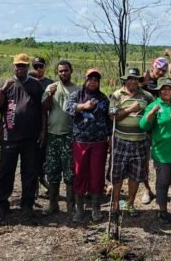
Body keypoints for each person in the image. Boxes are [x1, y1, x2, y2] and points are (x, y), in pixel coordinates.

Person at [0, 53, 45, 219]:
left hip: (30, 137)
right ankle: (2, 203)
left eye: (23, 65)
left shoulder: (35, 85)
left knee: (29, 171)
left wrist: (43, 130)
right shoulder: (7, 84)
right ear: (13, 66)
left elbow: (44, 109)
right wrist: (2, 89)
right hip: (10, 136)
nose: (20, 68)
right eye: (18, 65)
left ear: (27, 67)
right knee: (6, 171)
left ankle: (27, 204)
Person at [65, 68, 110, 221]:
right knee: (79, 174)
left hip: (99, 142)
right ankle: (79, 209)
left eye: (96, 80)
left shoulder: (103, 98)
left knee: (97, 175)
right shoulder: (77, 94)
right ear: (85, 80)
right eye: (90, 79)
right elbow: (68, 108)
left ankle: (96, 208)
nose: (92, 82)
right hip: (80, 142)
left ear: (99, 82)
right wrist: (83, 106)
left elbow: (109, 119)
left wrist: (109, 137)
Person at [108, 67, 154, 218]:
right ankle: (115, 205)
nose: (133, 81)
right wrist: (129, 110)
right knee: (117, 175)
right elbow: (112, 116)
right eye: (130, 78)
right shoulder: (116, 95)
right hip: (121, 140)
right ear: (125, 80)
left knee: (135, 175)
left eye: (135, 79)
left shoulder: (146, 96)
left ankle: (130, 204)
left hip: (140, 141)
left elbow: (155, 110)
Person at [140, 77, 171, 223]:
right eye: (163, 89)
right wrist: (152, 112)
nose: (166, 91)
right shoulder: (154, 105)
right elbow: (143, 126)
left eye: (169, 88)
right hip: (162, 153)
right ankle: (163, 211)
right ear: (158, 91)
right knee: (162, 183)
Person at [41, 60, 79, 215]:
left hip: (70, 136)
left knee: (70, 172)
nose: (63, 73)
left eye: (66, 70)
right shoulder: (51, 87)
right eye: (61, 71)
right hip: (53, 135)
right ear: (57, 72)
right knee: (52, 171)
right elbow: (44, 108)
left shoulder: (78, 90)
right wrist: (50, 94)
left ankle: (71, 205)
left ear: (71, 71)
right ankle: (53, 204)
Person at [31, 56, 54, 189]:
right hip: (30, 124)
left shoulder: (50, 84)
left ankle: (43, 180)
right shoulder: (28, 81)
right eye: (35, 66)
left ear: (45, 67)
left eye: (40, 66)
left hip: (46, 124)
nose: (38, 69)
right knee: (31, 157)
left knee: (44, 156)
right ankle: (34, 187)